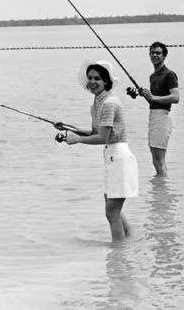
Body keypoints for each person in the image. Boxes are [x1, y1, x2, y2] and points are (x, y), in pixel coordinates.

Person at [55, 60, 139, 242]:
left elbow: (103, 137)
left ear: (106, 81)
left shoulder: (109, 103)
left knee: (111, 212)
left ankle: (118, 254)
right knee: (111, 207)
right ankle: (131, 238)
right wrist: (70, 128)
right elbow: (95, 132)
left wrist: (77, 140)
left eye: (97, 79)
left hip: (119, 157)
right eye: (90, 78)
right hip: (112, 157)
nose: (92, 82)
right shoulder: (98, 102)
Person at [140, 42, 179, 176]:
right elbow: (153, 101)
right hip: (153, 117)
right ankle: (161, 189)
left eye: (158, 53)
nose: (155, 55)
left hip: (162, 118)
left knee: (159, 160)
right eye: (152, 52)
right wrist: (144, 95)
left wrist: (153, 97)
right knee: (155, 160)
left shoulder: (169, 75)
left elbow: (175, 97)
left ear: (164, 56)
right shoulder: (153, 76)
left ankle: (162, 189)